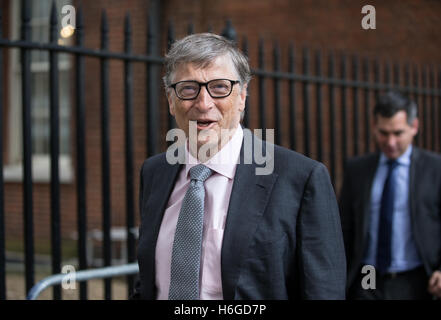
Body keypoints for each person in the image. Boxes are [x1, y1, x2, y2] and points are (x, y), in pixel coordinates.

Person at [132, 33, 346, 300]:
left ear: (242, 96)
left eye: (219, 87)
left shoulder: (301, 178)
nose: (203, 103)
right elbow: (150, 282)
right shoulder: (155, 172)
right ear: (171, 101)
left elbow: (323, 291)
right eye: (188, 88)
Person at [339, 90, 441, 299]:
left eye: (398, 133)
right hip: (368, 276)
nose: (390, 142)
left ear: (414, 127)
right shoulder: (357, 169)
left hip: (414, 278)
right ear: (374, 127)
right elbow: (344, 227)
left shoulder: (435, 169)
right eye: (383, 133)